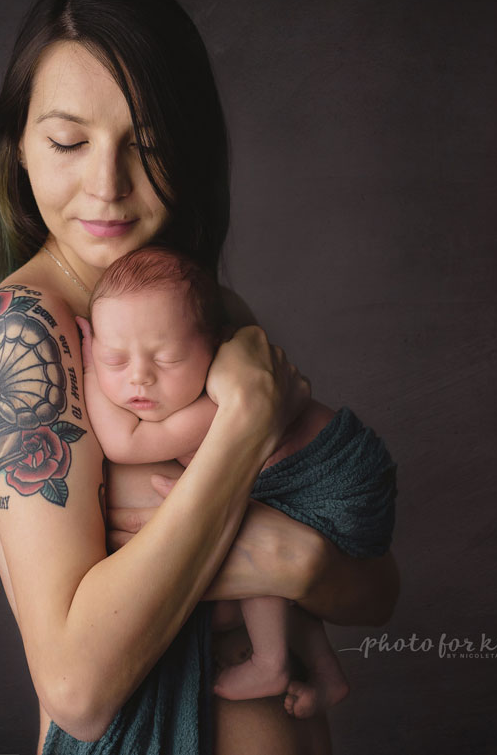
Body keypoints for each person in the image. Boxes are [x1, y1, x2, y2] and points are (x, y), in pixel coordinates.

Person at [0, 0, 400, 754]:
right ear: (18, 149)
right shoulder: (25, 333)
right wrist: (240, 432)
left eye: (150, 144)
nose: (107, 185)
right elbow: (77, 691)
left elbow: (376, 589)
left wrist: (293, 557)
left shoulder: (201, 310)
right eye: (68, 141)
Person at [75, 245, 396, 720]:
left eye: (166, 359)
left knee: (243, 541)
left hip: (338, 484)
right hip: (330, 488)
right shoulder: (192, 384)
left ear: (214, 347)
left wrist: (88, 365)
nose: (139, 378)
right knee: (255, 542)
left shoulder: (215, 403)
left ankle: (271, 663)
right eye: (116, 360)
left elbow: (126, 442)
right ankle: (328, 677)